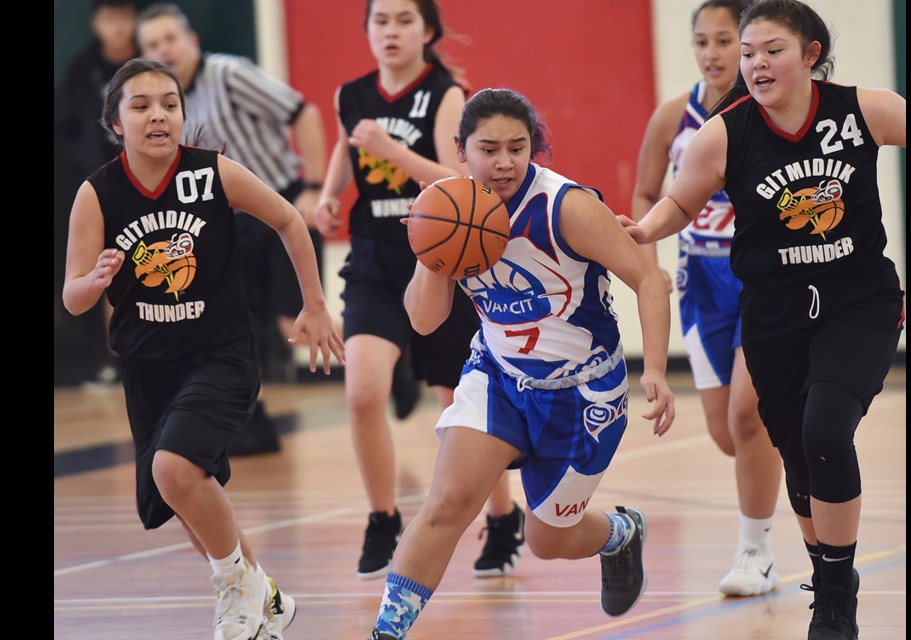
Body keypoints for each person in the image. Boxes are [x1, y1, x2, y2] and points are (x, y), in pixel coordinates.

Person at [620, 1, 905, 638]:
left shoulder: (866, 109)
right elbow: (678, 202)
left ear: (810, 54)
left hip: (858, 302)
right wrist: (643, 230)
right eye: (748, 53)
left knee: (827, 431)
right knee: (799, 456)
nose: (754, 63)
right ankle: (828, 573)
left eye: (770, 50)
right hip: (773, 314)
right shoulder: (723, 132)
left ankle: (834, 598)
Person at [366, 87, 676, 640]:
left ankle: (619, 532)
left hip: (580, 393)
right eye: (489, 149)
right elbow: (424, 321)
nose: (505, 161)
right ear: (461, 150)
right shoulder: (447, 205)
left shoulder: (566, 207)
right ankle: (387, 631)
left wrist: (655, 368)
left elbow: (650, 279)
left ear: (535, 147)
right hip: (499, 377)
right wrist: (431, 249)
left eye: (518, 147)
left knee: (547, 541)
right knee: (446, 504)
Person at [61, 58, 345, 640]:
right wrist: (94, 281)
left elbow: (291, 220)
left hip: (221, 356)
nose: (158, 114)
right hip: (147, 367)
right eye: (140, 105)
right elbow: (72, 297)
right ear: (115, 122)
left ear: (184, 115)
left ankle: (235, 598)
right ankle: (264, 595)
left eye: (169, 103)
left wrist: (314, 304)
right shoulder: (97, 193)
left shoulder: (212, 174)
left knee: (175, 470)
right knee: (188, 499)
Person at [314, 0, 524, 581]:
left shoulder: (445, 93)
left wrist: (391, 152)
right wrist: (331, 192)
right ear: (367, 30)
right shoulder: (350, 94)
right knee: (361, 394)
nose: (391, 31)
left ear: (426, 30)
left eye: (404, 20)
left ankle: (504, 517)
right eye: (380, 20)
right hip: (375, 261)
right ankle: (382, 517)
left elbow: (459, 180)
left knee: (459, 405)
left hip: (441, 259)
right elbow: (345, 144)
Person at [629, 0, 783, 597]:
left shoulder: (763, 108)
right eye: (703, 42)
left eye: (727, 42)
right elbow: (646, 192)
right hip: (701, 281)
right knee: (729, 433)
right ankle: (793, 464)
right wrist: (647, 264)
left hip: (762, 278)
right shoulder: (673, 114)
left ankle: (757, 551)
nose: (713, 54)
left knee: (750, 415)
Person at [136, 2, 329, 453]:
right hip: (224, 226)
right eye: (152, 45)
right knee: (228, 325)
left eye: (170, 39)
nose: (163, 50)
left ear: (192, 42)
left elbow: (305, 114)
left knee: (291, 320)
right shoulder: (157, 110)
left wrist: (315, 188)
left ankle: (386, 364)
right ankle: (250, 424)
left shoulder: (229, 74)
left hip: (281, 204)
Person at [54, 0, 139, 386]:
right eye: (109, 18)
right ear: (96, 23)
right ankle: (119, 359)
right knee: (109, 268)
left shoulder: (149, 64)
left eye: (124, 16)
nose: (118, 26)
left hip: (150, 177)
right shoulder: (82, 71)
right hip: (103, 184)